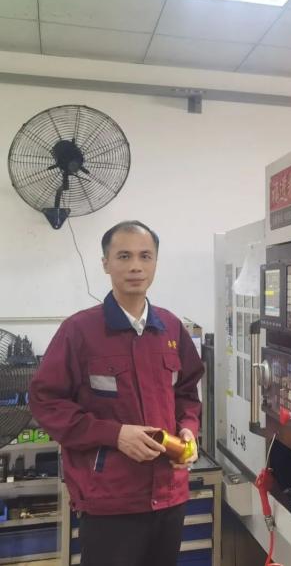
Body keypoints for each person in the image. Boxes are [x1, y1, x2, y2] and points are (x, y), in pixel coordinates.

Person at [29, 220, 204, 566]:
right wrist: (115, 435)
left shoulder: (171, 328)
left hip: (170, 494)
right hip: (110, 500)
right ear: (106, 263)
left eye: (145, 256)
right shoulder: (79, 331)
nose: (136, 266)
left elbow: (187, 394)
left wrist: (188, 429)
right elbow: (46, 402)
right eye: (124, 256)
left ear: (155, 262)